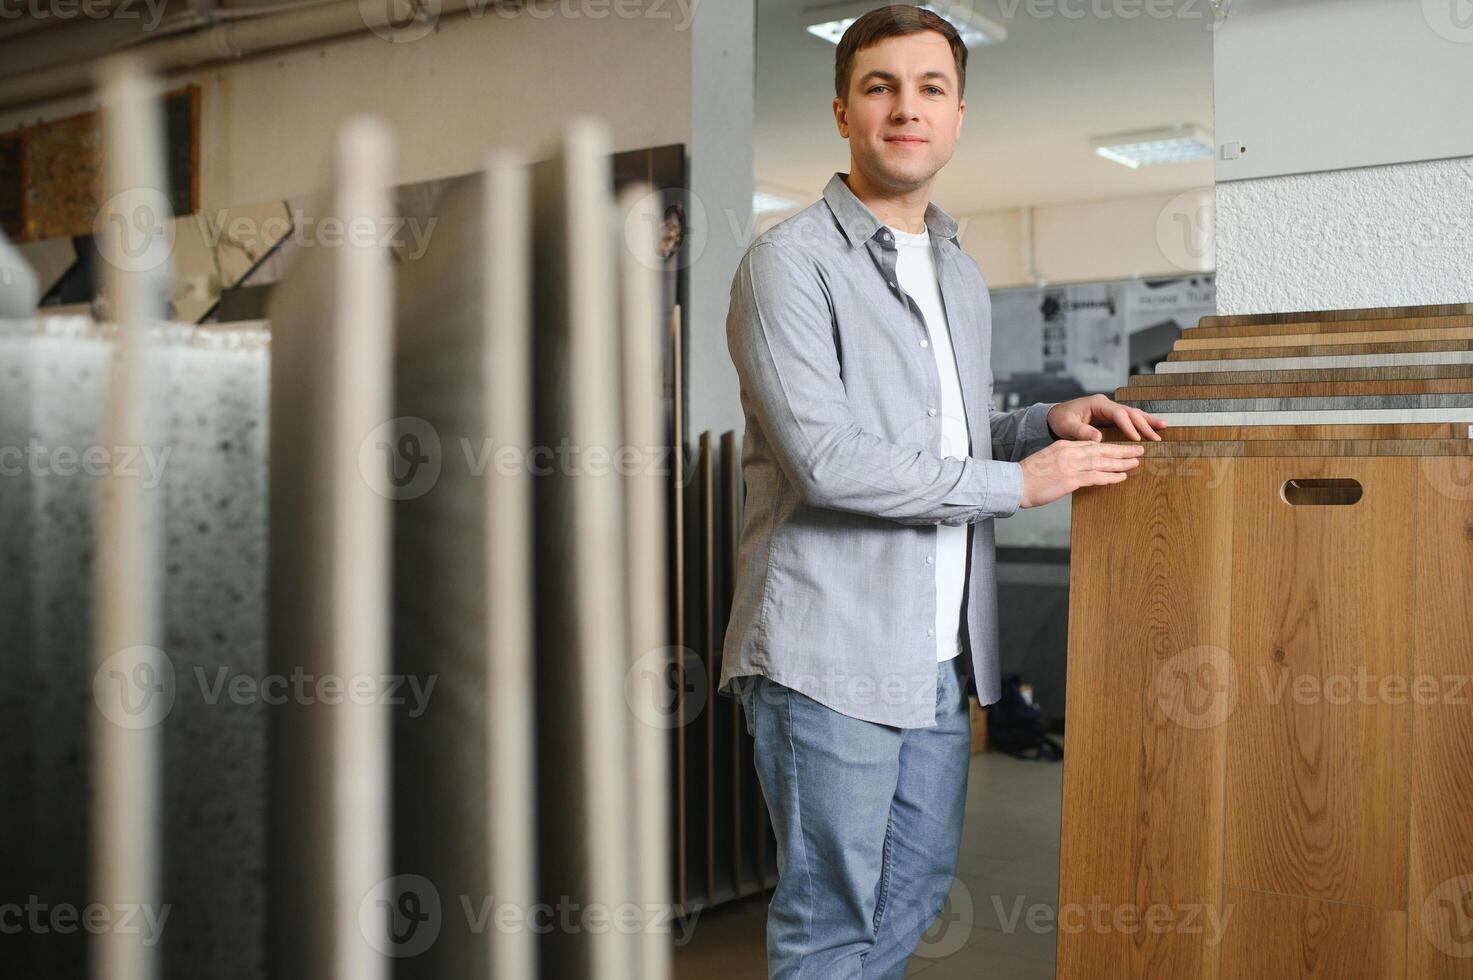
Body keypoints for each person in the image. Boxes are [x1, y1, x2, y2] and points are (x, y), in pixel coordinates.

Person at [717, 5, 1165, 976]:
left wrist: (1042, 424)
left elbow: (939, 443)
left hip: (938, 658)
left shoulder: (957, 272)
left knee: (912, 897)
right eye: (880, 87)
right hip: (828, 654)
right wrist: (1020, 480)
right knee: (831, 918)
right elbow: (827, 460)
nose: (905, 109)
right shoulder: (787, 266)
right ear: (843, 111)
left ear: (959, 115)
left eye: (929, 89)